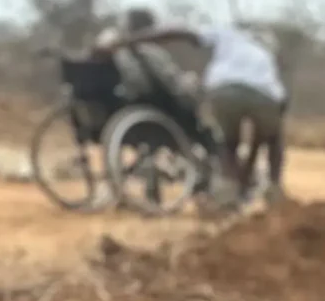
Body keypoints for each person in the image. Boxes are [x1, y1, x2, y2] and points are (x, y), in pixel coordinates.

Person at [121, 15, 288, 203]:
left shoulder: (225, 32)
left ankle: (228, 191)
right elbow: (260, 138)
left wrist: (132, 39)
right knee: (273, 138)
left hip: (224, 88)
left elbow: (179, 31)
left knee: (228, 144)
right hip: (266, 94)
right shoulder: (265, 50)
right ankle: (274, 189)